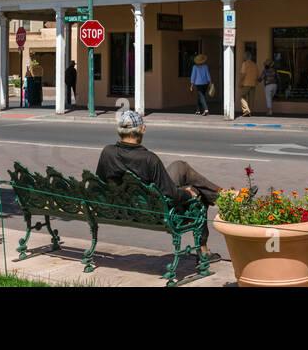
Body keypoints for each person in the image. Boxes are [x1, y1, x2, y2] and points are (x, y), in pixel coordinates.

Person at [96, 110, 221, 263]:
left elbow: (100, 184)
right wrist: (189, 194)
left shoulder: (107, 152)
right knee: (197, 192)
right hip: (154, 211)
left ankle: (223, 196)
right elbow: (170, 194)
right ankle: (204, 250)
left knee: (180, 167)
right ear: (142, 129)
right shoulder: (149, 159)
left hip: (128, 207)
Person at [239, 51, 259, 117]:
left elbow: (243, 74)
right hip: (253, 83)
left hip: (246, 83)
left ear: (245, 57)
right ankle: (250, 111)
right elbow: (257, 75)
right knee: (251, 98)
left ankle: (246, 110)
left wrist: (240, 82)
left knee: (242, 96)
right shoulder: (254, 64)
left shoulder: (244, 64)